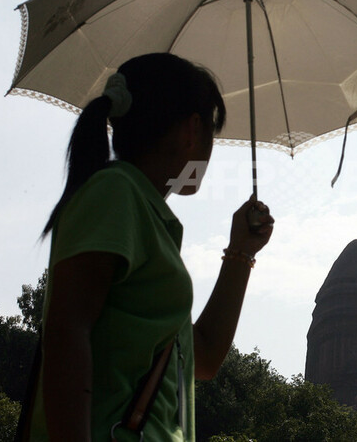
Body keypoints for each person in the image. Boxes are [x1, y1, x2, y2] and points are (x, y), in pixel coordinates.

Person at [20, 53, 274, 441]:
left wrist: (241, 253)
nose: (208, 155)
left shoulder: (145, 214)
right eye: (211, 134)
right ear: (192, 130)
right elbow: (67, 330)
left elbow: (202, 359)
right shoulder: (116, 192)